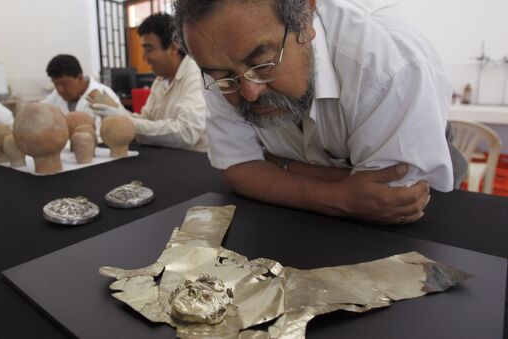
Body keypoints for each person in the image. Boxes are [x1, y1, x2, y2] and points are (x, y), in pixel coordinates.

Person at [172, 0, 461, 224]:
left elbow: (391, 196)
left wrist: (277, 164)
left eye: (262, 62)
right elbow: (239, 170)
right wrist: (341, 196)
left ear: (306, 17)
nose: (248, 91)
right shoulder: (219, 61)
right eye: (222, 76)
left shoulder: (387, 62)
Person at [89, 13, 208, 152]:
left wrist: (126, 121)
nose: (144, 57)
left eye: (149, 49)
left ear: (174, 47)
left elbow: (187, 132)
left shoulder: (196, 73)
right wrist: (118, 112)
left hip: (195, 161)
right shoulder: (160, 80)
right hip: (165, 155)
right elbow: (146, 120)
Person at [42, 54, 121, 130]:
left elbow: (118, 128)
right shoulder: (55, 95)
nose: (60, 90)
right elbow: (41, 111)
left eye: (65, 84)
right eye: (55, 84)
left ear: (80, 78)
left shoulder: (104, 94)